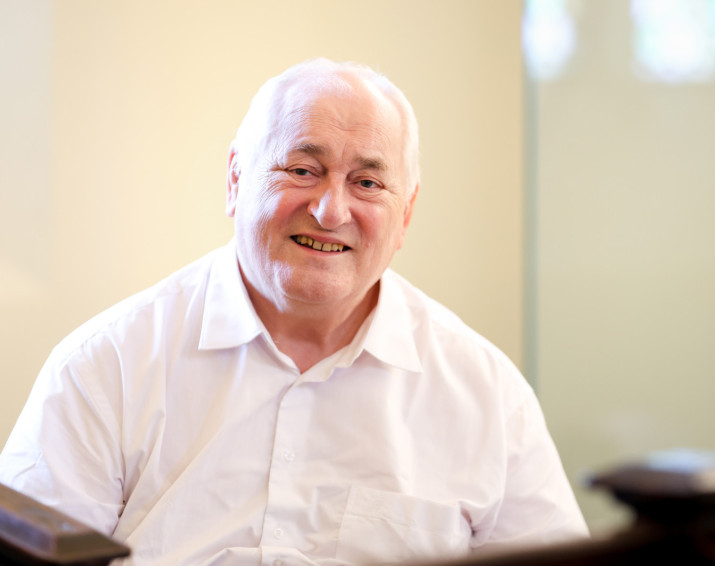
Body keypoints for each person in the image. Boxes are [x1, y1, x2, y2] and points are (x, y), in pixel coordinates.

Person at [0, 58, 588, 565]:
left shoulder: (487, 394)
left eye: (367, 183)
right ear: (236, 180)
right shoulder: (105, 367)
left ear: (405, 214)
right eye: (302, 171)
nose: (331, 211)